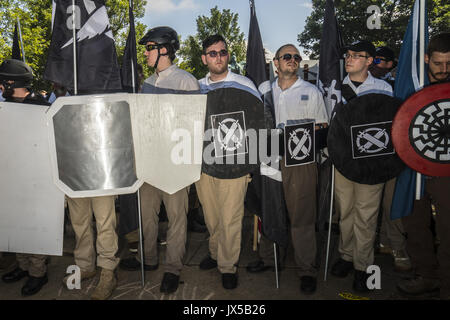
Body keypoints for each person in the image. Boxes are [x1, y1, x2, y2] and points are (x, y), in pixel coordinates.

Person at [119, 26, 200, 294]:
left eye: (149, 47)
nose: (145, 52)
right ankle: (148, 258)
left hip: (176, 163)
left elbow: (193, 125)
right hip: (151, 160)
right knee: (148, 215)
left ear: (164, 49)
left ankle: (173, 268)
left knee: (177, 218)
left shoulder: (186, 81)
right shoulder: (147, 83)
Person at [246, 44, 328, 295]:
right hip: (270, 160)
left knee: (301, 215)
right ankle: (271, 259)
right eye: (287, 57)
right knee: (271, 209)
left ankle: (306, 269)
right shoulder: (264, 92)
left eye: (296, 57)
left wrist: (298, 135)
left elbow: (322, 127)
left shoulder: (311, 91)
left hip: (300, 163)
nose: (292, 60)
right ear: (276, 64)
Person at [195, 34, 259, 290]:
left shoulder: (244, 85)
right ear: (204, 58)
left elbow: (257, 124)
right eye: (213, 53)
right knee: (211, 217)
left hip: (235, 165)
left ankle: (228, 265)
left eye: (222, 52)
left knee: (231, 217)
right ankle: (215, 253)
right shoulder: (195, 87)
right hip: (205, 164)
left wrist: (250, 164)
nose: (218, 57)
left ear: (228, 55)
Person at [329, 40, 393, 292]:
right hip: (343, 160)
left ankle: (363, 266)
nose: (349, 58)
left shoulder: (383, 88)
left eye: (357, 55)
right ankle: (346, 254)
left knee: (366, 215)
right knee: (345, 212)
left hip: (371, 163)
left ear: (369, 61)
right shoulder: (335, 87)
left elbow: (389, 126)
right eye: (348, 54)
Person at [397, 32, 450, 299]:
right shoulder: (411, 84)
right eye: (438, 63)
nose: (444, 70)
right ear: (427, 58)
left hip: (446, 170)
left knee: (448, 227)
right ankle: (426, 275)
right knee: (415, 224)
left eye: (449, 64)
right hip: (412, 165)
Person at [0, 59, 50, 296]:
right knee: (16, 224)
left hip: (35, 178)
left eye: (2, 81)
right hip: (12, 175)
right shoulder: (5, 107)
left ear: (12, 82)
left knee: (33, 228)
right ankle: (22, 265)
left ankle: (38, 272)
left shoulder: (40, 107)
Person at [370, 46, 412, 272]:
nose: (375, 63)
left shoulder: (397, 86)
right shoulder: (360, 84)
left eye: (380, 60)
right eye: (373, 58)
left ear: (390, 64)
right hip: (369, 152)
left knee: (391, 204)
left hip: (393, 153)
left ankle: (396, 245)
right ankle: (371, 245)